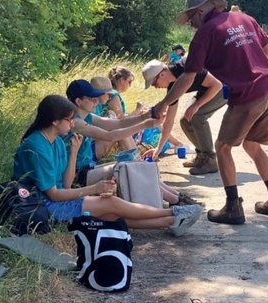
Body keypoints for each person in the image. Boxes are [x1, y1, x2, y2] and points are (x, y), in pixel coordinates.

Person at [152, 0, 268, 225]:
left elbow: (187, 78)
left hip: (249, 95)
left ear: (202, 11)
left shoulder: (205, 34)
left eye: (192, 18)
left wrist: (163, 103)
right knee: (252, 145)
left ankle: (233, 207)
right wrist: (254, 67)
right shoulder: (245, 19)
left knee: (222, 147)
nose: (191, 25)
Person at [13, 94, 202, 236]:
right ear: (54, 121)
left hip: (57, 198)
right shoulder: (37, 146)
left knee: (112, 216)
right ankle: (173, 212)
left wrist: (73, 154)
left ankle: (174, 220)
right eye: (69, 120)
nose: (72, 125)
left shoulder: (58, 142)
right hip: (42, 205)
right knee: (110, 203)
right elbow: (53, 195)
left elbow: (67, 185)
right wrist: (93, 188)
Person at [65, 79, 203, 207]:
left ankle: (178, 197)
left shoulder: (87, 116)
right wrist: (144, 124)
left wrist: (146, 116)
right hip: (77, 175)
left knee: (136, 166)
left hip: (88, 168)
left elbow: (117, 123)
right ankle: (176, 201)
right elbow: (109, 136)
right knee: (128, 169)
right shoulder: (75, 122)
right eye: (91, 98)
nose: (96, 101)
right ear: (78, 101)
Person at [142, 56, 227, 175]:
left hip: (224, 87)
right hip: (208, 89)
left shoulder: (187, 67)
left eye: (154, 83)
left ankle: (210, 160)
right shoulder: (173, 87)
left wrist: (197, 104)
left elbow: (216, 85)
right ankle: (201, 156)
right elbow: (169, 121)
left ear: (161, 75)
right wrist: (158, 148)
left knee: (197, 116)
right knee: (185, 121)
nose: (156, 87)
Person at [107, 66, 183, 152]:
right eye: (129, 81)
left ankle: (173, 143)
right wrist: (137, 110)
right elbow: (120, 122)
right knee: (152, 119)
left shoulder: (114, 95)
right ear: (122, 80)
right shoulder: (114, 96)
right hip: (118, 133)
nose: (130, 85)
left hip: (117, 130)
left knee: (151, 117)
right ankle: (175, 143)